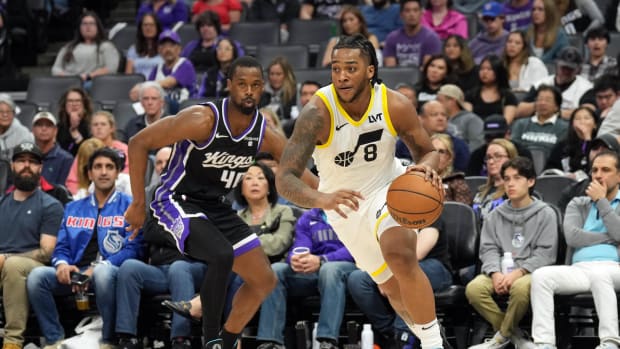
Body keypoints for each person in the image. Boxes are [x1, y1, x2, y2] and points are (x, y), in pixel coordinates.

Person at [123, 56, 319, 349]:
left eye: (255, 85)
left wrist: (333, 196)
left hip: (215, 206)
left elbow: (299, 171)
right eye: (242, 85)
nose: (249, 91)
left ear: (263, 87)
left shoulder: (263, 133)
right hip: (175, 200)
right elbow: (138, 142)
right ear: (229, 86)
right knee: (222, 254)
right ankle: (211, 340)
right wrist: (139, 203)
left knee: (264, 280)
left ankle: (227, 342)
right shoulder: (202, 120)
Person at [275, 34, 448, 349]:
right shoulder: (317, 113)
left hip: (389, 188)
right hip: (343, 207)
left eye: (351, 68)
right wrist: (321, 199)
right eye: (336, 68)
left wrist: (428, 168)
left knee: (400, 255)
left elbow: (428, 150)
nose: (342, 76)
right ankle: (431, 338)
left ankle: (432, 344)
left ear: (370, 70)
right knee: (391, 289)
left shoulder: (393, 103)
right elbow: (285, 177)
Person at [27, 148, 143, 349]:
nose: (104, 172)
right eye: (98, 167)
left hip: (110, 271)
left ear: (117, 173)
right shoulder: (73, 207)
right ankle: (55, 339)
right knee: (37, 277)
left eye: (109, 167)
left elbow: (134, 249)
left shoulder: (130, 206)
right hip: (76, 272)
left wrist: (97, 267)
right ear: (89, 173)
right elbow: (61, 246)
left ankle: (108, 341)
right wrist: (62, 264)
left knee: (103, 274)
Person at [526, 150, 620, 349]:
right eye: (594, 170)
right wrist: (609, 238)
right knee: (541, 276)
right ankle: (545, 343)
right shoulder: (577, 204)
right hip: (579, 269)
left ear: (619, 176)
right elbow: (572, 237)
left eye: (605, 170)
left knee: (600, 274)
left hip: (614, 268)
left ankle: (610, 342)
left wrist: (602, 202)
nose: (598, 175)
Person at [466, 156, 558, 349]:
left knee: (520, 288)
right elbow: (488, 248)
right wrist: (495, 273)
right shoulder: (495, 215)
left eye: (517, 178)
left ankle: (500, 338)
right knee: (474, 289)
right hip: (500, 270)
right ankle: (516, 336)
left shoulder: (545, 213)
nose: (511, 184)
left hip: (532, 272)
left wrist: (519, 272)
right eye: (507, 179)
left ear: (530, 181)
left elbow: (545, 254)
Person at [255, 208, 357, 349]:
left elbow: (356, 248)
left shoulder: (354, 213)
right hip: (315, 270)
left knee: (330, 269)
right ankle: (270, 341)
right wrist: (296, 259)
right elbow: (300, 246)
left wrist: (323, 259)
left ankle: (327, 341)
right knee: (276, 269)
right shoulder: (309, 217)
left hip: (349, 268)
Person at [347, 217, 453, 348]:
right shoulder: (386, 215)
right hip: (395, 267)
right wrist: (381, 276)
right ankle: (391, 333)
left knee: (405, 276)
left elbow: (417, 253)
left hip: (433, 267)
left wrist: (388, 276)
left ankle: (404, 336)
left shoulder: (428, 212)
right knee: (357, 279)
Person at [0, 142, 63, 349]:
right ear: (12, 166)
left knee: (13, 265)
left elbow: (47, 252)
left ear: (40, 168)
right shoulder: (1, 203)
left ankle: (12, 341)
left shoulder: (50, 205)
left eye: (32, 162)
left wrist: (7, 258)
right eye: (21, 161)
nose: (26, 166)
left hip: (33, 269)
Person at [516, 46, 592, 120]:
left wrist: (554, 112)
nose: (566, 71)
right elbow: (519, 111)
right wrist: (540, 104)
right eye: (563, 67)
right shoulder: (541, 84)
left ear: (578, 70)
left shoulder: (586, 88)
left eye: (570, 69)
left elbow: (589, 113)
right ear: (557, 65)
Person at [51, 12, 119, 86]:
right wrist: (70, 78)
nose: (88, 26)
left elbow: (111, 69)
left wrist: (87, 77)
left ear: (98, 27)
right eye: (84, 24)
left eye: (91, 23)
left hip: (93, 84)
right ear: (79, 27)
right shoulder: (68, 47)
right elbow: (55, 69)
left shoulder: (106, 46)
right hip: (68, 82)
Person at [141, 30, 197, 114]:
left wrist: (142, 86)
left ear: (179, 49)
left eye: (171, 45)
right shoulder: (157, 68)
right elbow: (148, 89)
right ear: (159, 50)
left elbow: (169, 82)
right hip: (164, 114)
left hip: (186, 112)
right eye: (164, 46)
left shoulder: (185, 64)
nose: (168, 49)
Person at [511, 85, 569, 159]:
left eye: (548, 100)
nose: (542, 103)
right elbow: (513, 148)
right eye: (540, 99)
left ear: (557, 107)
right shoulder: (521, 124)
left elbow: (560, 153)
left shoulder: (564, 127)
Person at [413, 100, 470, 172]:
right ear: (420, 119)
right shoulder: (406, 144)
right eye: (434, 114)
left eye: (443, 115)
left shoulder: (460, 146)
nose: (440, 118)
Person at [383, 0, 442, 68]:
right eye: (407, 11)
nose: (412, 14)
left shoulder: (432, 38)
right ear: (401, 15)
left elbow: (428, 70)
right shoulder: (391, 38)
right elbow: (391, 70)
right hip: (397, 77)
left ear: (421, 13)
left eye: (415, 10)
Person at [471, 138, 519, 221]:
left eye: (498, 156)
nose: (491, 162)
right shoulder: (480, 192)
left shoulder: (515, 191)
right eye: (489, 157)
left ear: (511, 159)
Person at [545, 107, 599, 177]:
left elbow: (593, 167)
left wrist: (587, 137)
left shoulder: (599, 145)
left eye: (586, 118)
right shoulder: (562, 145)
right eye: (577, 119)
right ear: (572, 125)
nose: (582, 121)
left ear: (595, 125)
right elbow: (550, 169)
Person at [465, 55, 518, 124]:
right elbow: (468, 119)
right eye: (482, 69)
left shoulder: (508, 96)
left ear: (498, 71)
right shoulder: (471, 95)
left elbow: (506, 122)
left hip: (499, 131)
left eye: (489, 69)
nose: (484, 72)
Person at [436, 84, 484, 152]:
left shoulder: (471, 119)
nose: (437, 103)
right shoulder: (439, 120)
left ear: (452, 101)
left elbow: (477, 143)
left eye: (440, 100)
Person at [31, 112, 73, 186]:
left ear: (55, 131)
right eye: (40, 125)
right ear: (33, 130)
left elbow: (64, 192)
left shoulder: (66, 159)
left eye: (48, 125)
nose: (44, 129)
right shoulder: (26, 157)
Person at [431, 133, 471, 204]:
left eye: (441, 152)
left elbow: (462, 212)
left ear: (449, 157)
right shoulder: (417, 179)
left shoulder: (457, 183)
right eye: (433, 151)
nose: (436, 155)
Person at [56, 87, 93, 156]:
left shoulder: (91, 126)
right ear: (65, 105)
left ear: (84, 105)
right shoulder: (59, 128)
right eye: (70, 101)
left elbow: (88, 153)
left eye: (78, 101)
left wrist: (75, 133)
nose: (74, 104)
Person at [126, 12, 164, 78]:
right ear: (141, 28)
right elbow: (128, 76)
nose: (148, 28)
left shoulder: (164, 48)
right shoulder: (133, 49)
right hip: (138, 86)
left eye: (151, 25)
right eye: (145, 25)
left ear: (157, 28)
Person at [0, 94, 33, 162]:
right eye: (1, 112)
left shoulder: (24, 134)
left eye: (9, 111)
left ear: (14, 113)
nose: (5, 115)